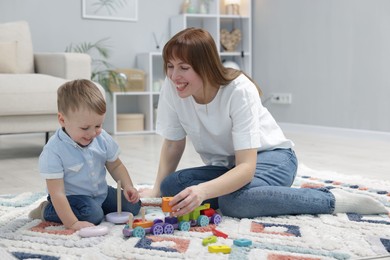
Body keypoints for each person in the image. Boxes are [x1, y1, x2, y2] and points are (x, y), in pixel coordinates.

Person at [140, 27, 387, 218]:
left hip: (273, 158)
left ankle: (330, 199)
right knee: (171, 186)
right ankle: (256, 195)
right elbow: (173, 144)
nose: (174, 76)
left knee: (234, 201)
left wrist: (204, 191)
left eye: (184, 67)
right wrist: (155, 190)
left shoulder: (238, 90)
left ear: (205, 67)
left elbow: (247, 168)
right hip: (230, 165)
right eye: (170, 66)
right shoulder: (173, 88)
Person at [29, 79, 141, 230]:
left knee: (133, 206)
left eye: (98, 125)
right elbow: (58, 194)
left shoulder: (101, 138)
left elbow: (116, 166)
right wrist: (72, 223)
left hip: (100, 192)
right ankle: (46, 210)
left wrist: (128, 186)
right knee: (93, 215)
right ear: (62, 120)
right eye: (84, 128)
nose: (92, 133)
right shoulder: (54, 151)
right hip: (69, 198)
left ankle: (99, 206)